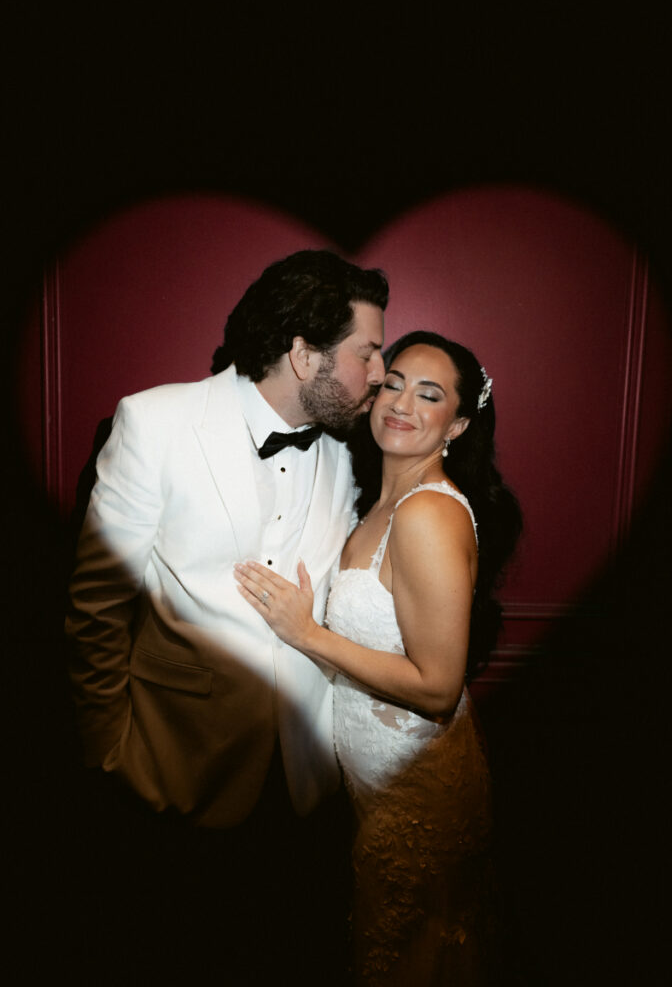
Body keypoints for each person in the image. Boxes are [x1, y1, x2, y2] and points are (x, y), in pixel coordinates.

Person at [65, 248, 388, 983]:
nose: (379, 373)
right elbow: (97, 603)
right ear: (303, 355)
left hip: (303, 781)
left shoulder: (348, 455)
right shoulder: (155, 421)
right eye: (367, 352)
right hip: (174, 766)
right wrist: (107, 750)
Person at [234, 330, 522, 986]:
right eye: (393, 383)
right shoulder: (378, 502)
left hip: (415, 792)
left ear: (458, 425)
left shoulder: (427, 515)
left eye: (429, 395)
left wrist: (307, 634)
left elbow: (437, 686)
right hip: (374, 784)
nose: (401, 403)